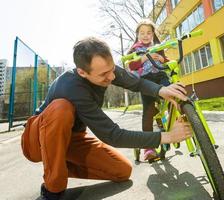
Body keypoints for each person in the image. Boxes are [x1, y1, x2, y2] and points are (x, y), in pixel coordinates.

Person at [21, 37, 192, 200]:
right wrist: (168, 136)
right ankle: (53, 190)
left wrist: (162, 90)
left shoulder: (108, 70)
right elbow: (112, 135)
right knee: (61, 108)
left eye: (112, 69)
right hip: (38, 139)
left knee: (122, 170)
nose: (111, 77)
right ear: (82, 72)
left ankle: (57, 165)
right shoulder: (71, 86)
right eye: (104, 74)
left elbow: (137, 83)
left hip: (73, 138)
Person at [127, 19, 171, 161]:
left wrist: (163, 60)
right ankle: (148, 148)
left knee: (172, 94)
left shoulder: (158, 46)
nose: (145, 35)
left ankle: (176, 121)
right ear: (138, 35)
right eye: (142, 33)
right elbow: (131, 65)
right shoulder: (135, 49)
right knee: (149, 111)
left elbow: (167, 60)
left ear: (153, 34)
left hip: (160, 76)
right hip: (146, 81)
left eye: (148, 33)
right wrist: (145, 57)